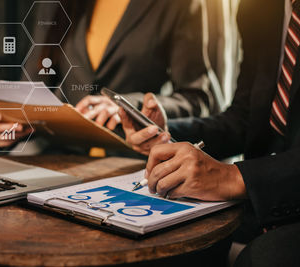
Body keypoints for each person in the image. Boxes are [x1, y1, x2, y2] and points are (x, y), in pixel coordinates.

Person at [119, 0, 300, 265]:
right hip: (263, 204)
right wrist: (166, 136)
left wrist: (234, 178)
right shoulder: (261, 8)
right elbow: (245, 118)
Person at [0, 0, 224, 148]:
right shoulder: (55, 3)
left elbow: (197, 99)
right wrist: (12, 120)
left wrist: (126, 105)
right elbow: (33, 90)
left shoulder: (177, 4)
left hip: (130, 160)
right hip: (61, 158)